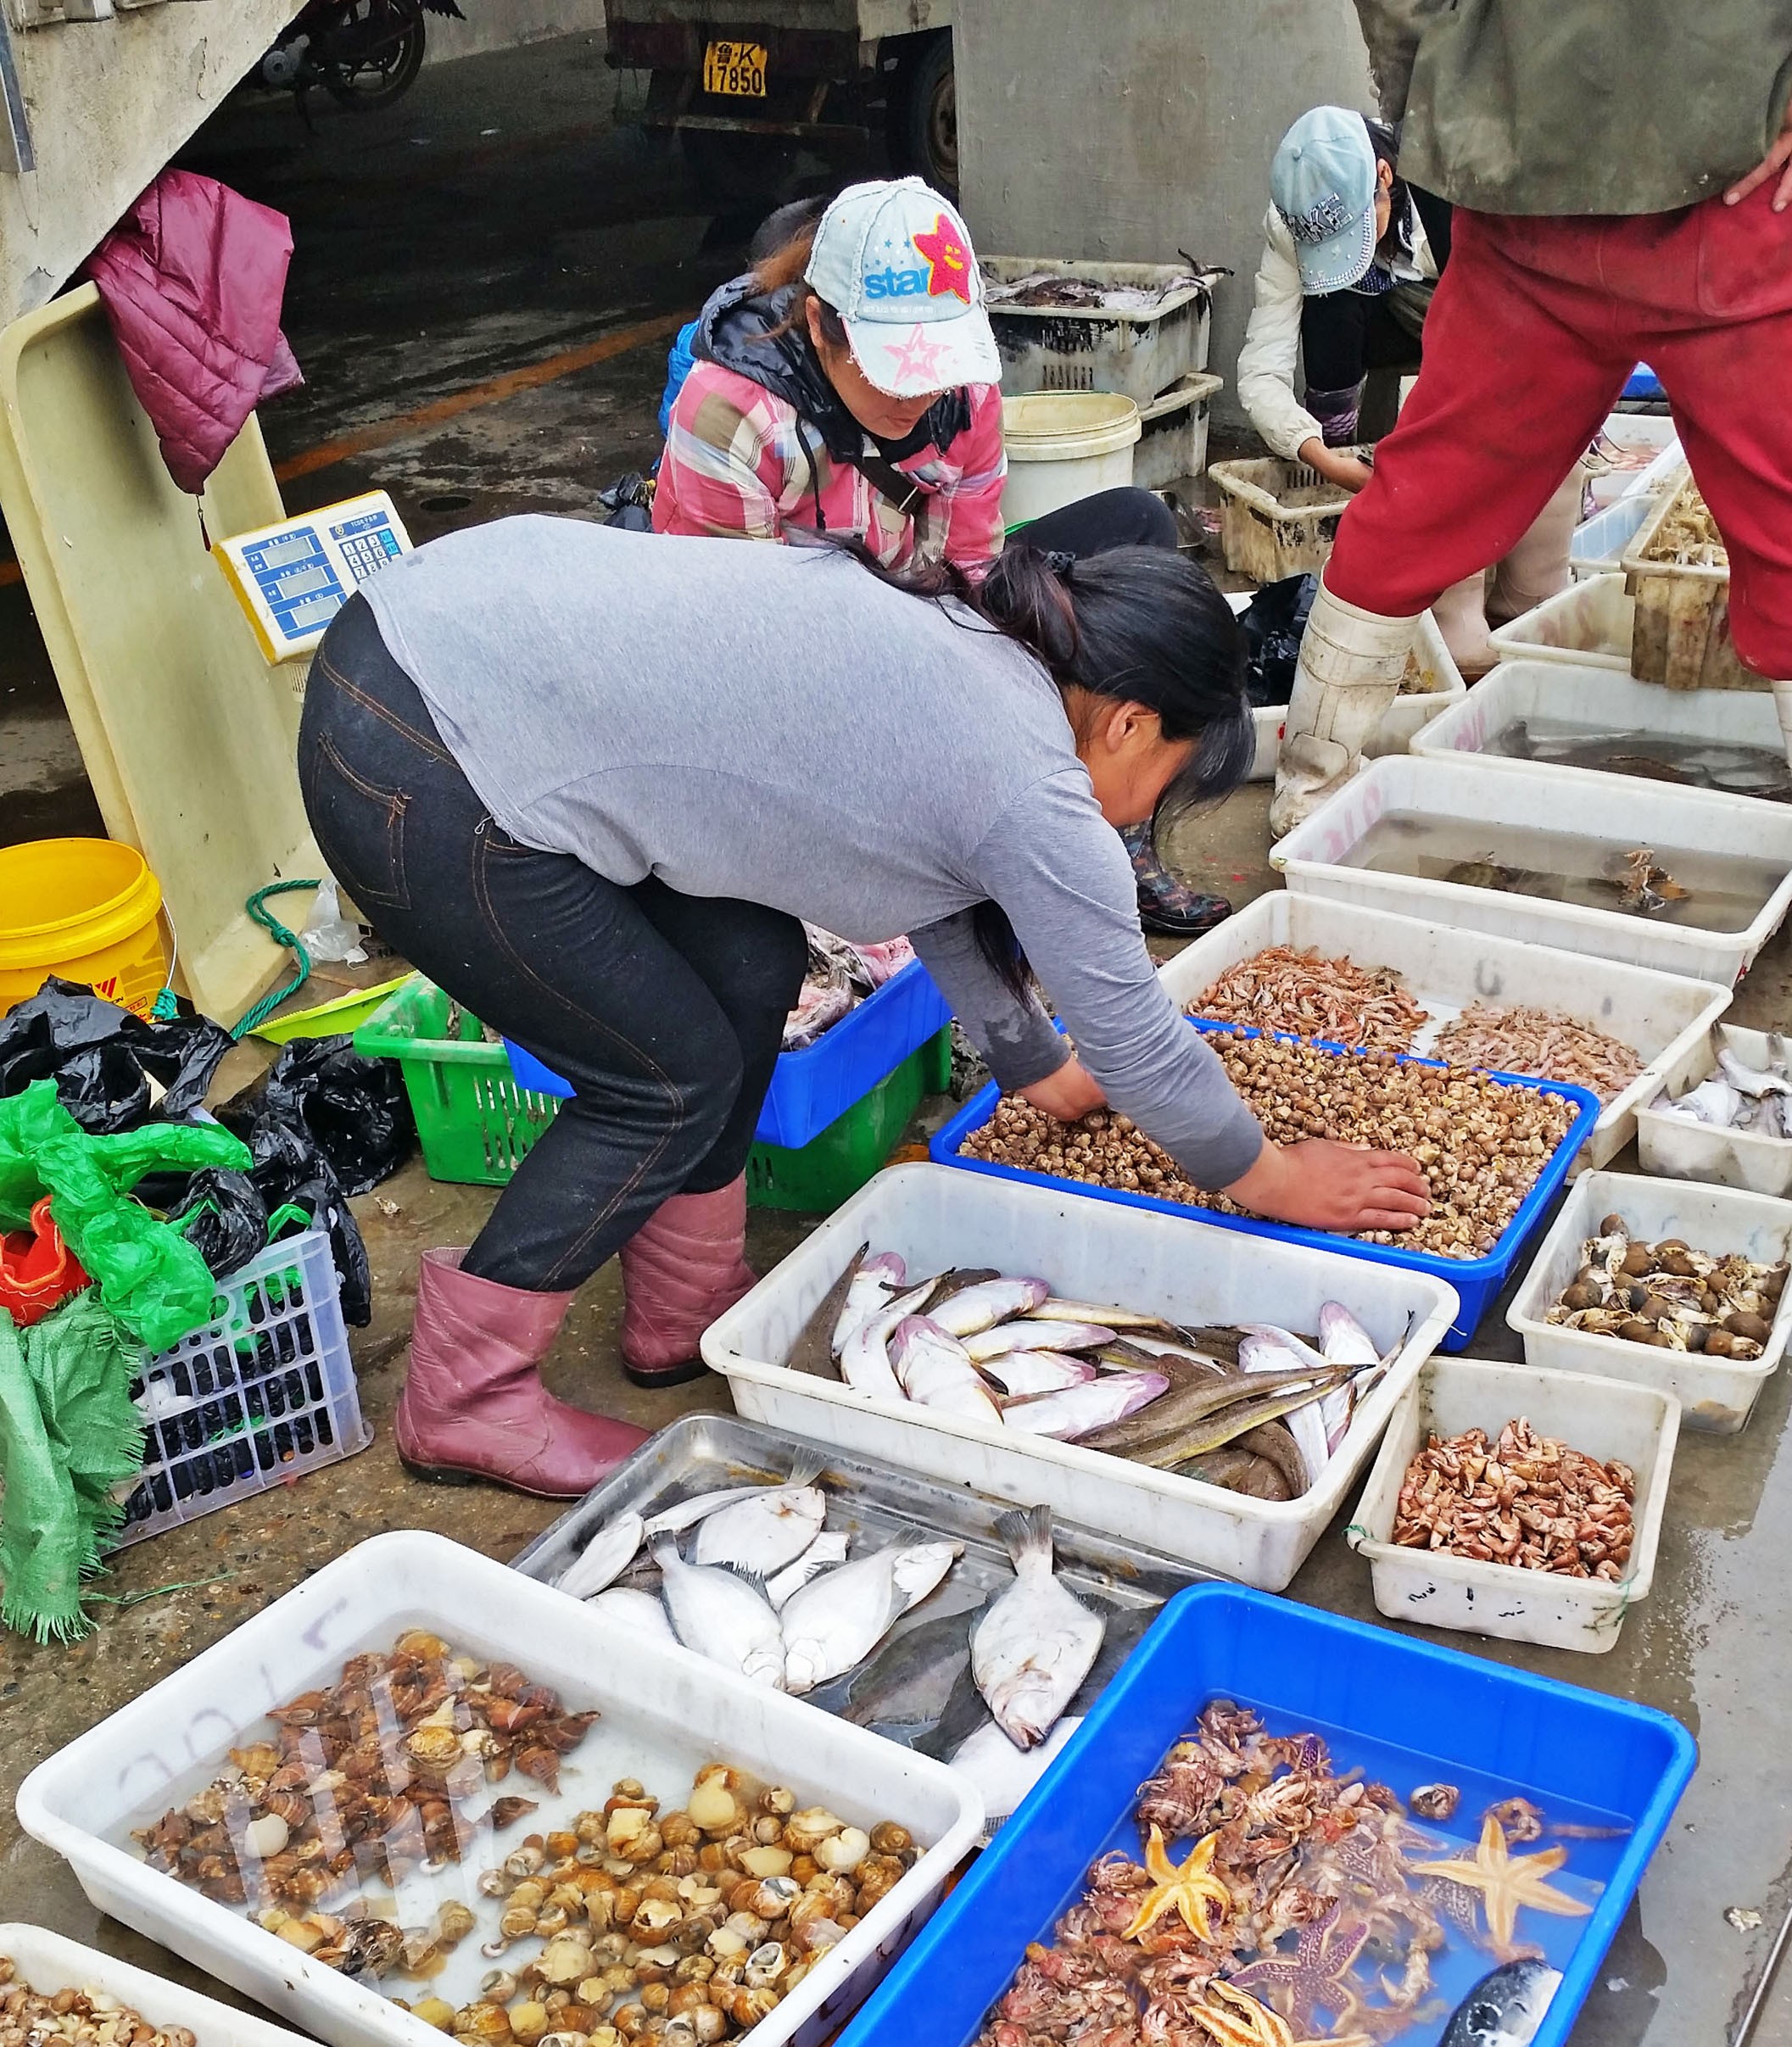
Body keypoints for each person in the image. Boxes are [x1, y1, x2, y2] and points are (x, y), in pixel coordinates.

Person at [299, 524, 1429, 1497]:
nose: (1149, 814)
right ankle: (465, 1397)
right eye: (1173, 780)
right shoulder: (1031, 781)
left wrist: (1030, 1060)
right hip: (424, 745)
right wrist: (1268, 1175)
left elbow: (933, 873)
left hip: (444, 642)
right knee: (663, 1075)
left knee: (748, 955)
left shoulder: (989, 655)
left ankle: (679, 1313)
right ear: (1129, 723)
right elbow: (1134, 1033)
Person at [655, 175, 1228, 934]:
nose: (916, 399)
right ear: (821, 324)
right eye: (892, 370)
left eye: (934, 372)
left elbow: (973, 562)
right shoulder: (731, 415)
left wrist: (1000, 663)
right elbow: (746, 654)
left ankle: (1114, 826)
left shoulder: (965, 395)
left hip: (916, 603)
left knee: (1136, 527)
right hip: (787, 654)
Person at [1274, 3, 1792, 837]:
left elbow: (1403, 12)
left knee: (1417, 501)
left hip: (1528, 175)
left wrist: (1438, 101)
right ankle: (1313, 797)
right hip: (1727, 184)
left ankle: (1308, 798)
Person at [1237, 104, 1581, 679]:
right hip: (1386, 316)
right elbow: (1260, 370)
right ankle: (1444, 603)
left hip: (1469, 305)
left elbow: (1514, 334)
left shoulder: (1458, 180)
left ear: (1384, 178)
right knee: (1332, 299)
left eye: (1355, 228)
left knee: (1518, 427)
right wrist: (1321, 457)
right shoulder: (1291, 219)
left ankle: (1515, 601)